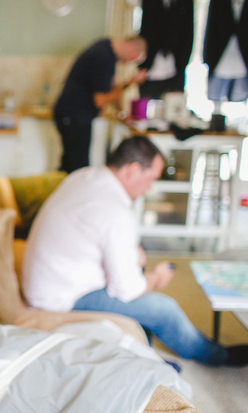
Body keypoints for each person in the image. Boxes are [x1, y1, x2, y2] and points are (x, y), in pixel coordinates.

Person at [21, 136, 248, 366]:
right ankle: (216, 355)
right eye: (150, 179)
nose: (150, 187)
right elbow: (127, 290)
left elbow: (92, 234)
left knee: (137, 267)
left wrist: (130, 256)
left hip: (51, 278)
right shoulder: (114, 208)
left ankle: (144, 355)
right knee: (164, 309)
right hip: (60, 297)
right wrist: (155, 278)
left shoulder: (84, 176)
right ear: (132, 170)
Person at [54, 36, 148, 173]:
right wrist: (130, 83)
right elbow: (101, 100)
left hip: (72, 115)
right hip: (74, 116)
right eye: (133, 59)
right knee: (78, 168)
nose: (129, 63)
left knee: (70, 165)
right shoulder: (103, 57)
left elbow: (112, 88)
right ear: (131, 48)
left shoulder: (105, 49)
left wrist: (122, 115)